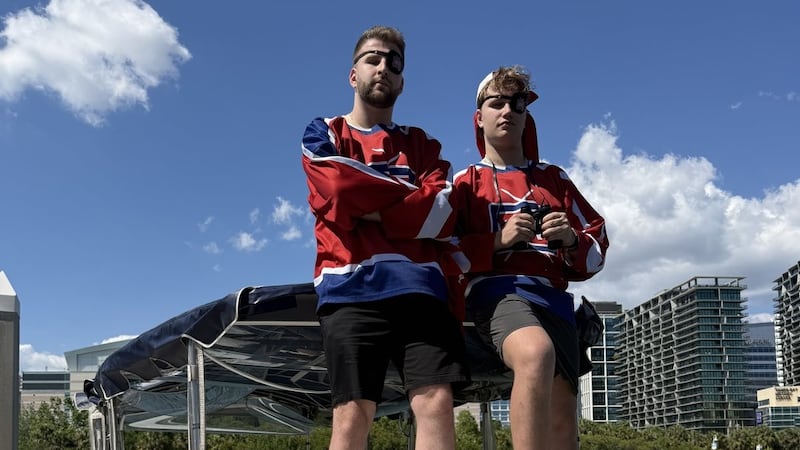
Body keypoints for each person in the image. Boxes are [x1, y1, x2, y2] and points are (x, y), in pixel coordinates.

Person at [301, 25, 469, 450]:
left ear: (402, 81)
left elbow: (443, 211)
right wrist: (408, 199)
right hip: (350, 287)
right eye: (373, 59)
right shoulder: (324, 132)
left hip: (422, 288)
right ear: (353, 74)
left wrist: (368, 208)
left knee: (436, 403)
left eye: (394, 63)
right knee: (352, 415)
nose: (383, 68)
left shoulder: (423, 145)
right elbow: (337, 188)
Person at [452, 66, 609, 449]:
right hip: (498, 295)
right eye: (497, 103)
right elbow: (444, 252)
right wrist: (496, 241)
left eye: (517, 104)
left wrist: (570, 239)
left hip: (554, 299)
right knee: (536, 354)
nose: (508, 111)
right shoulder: (464, 183)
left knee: (562, 425)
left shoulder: (555, 179)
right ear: (479, 117)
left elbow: (597, 247)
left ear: (527, 116)